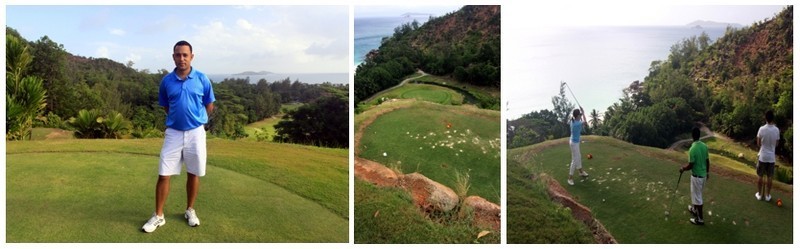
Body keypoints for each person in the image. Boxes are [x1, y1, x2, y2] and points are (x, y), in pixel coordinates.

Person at [142, 40, 215, 233]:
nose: (181, 58)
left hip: (196, 132)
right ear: (173, 56)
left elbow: (209, 104)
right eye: (177, 54)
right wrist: (178, 119)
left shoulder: (202, 78)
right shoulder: (166, 81)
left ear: (192, 56)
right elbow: (166, 106)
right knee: (164, 174)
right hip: (173, 133)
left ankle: (190, 210)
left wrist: (199, 121)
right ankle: (159, 216)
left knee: (193, 172)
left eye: (185, 54)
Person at [680, 126, 709, 225]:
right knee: (697, 194)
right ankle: (693, 209)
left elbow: (690, 165)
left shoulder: (692, 149)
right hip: (703, 176)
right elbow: (707, 161)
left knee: (698, 198)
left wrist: (683, 168)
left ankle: (700, 219)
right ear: (699, 136)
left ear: (692, 136)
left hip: (697, 177)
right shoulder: (704, 146)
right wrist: (707, 173)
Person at [755, 110, 780, 202]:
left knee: (760, 176)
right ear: (773, 118)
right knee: (770, 177)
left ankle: (759, 194)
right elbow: (777, 144)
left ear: (765, 118)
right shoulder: (776, 130)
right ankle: (767, 195)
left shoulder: (761, 129)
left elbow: (758, 143)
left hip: (763, 156)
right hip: (771, 157)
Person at [567, 108, 589, 186]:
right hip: (574, 143)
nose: (581, 115)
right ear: (577, 116)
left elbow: (581, 120)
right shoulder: (577, 123)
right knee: (575, 160)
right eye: (580, 115)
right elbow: (586, 122)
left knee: (578, 157)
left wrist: (581, 112)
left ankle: (581, 172)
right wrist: (583, 112)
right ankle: (570, 178)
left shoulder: (572, 121)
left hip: (573, 141)